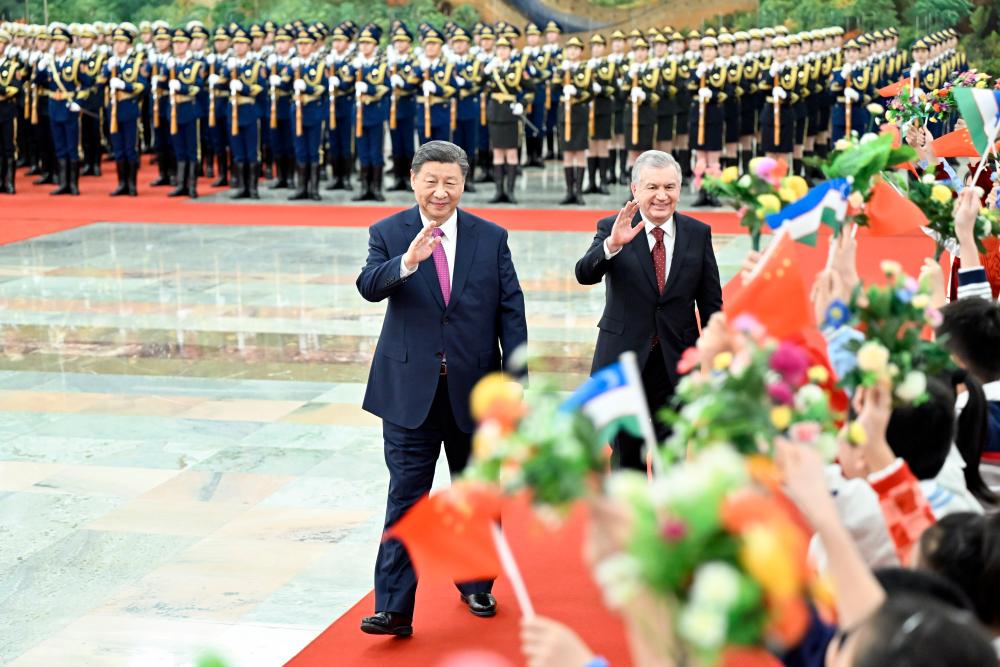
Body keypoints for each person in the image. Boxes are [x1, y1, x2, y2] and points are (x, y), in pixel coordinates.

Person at [356, 140, 527, 637]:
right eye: (430, 181)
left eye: (450, 182)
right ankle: (393, 607)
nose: (440, 191)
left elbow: (511, 311)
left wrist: (515, 382)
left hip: (475, 391)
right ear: (413, 180)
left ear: (463, 184)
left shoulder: (490, 237)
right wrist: (407, 262)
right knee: (406, 498)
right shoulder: (388, 232)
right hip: (410, 393)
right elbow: (369, 286)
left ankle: (476, 583)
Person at [574, 150, 722, 470]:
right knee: (627, 462)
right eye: (652, 187)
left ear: (680, 189)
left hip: (677, 364)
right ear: (635, 189)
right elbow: (584, 274)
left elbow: (711, 305)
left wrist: (716, 362)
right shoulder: (613, 227)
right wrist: (612, 246)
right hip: (623, 364)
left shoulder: (697, 233)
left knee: (673, 461)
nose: (661, 196)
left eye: (669, 187)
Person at [103, 23, 146, 197]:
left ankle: (132, 184)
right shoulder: (111, 62)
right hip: (113, 108)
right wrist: (106, 70)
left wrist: (124, 85)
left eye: (121, 42)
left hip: (129, 107)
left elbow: (142, 86)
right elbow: (99, 82)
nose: (117, 45)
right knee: (118, 148)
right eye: (115, 42)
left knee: (130, 148)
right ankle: (121, 183)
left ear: (129, 44)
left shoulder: (136, 63)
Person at [0, 29, 25, 194]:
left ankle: (9, 182)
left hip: (7, 109)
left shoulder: (13, 66)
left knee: (9, 146)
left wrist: (2, 90)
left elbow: (15, 89)